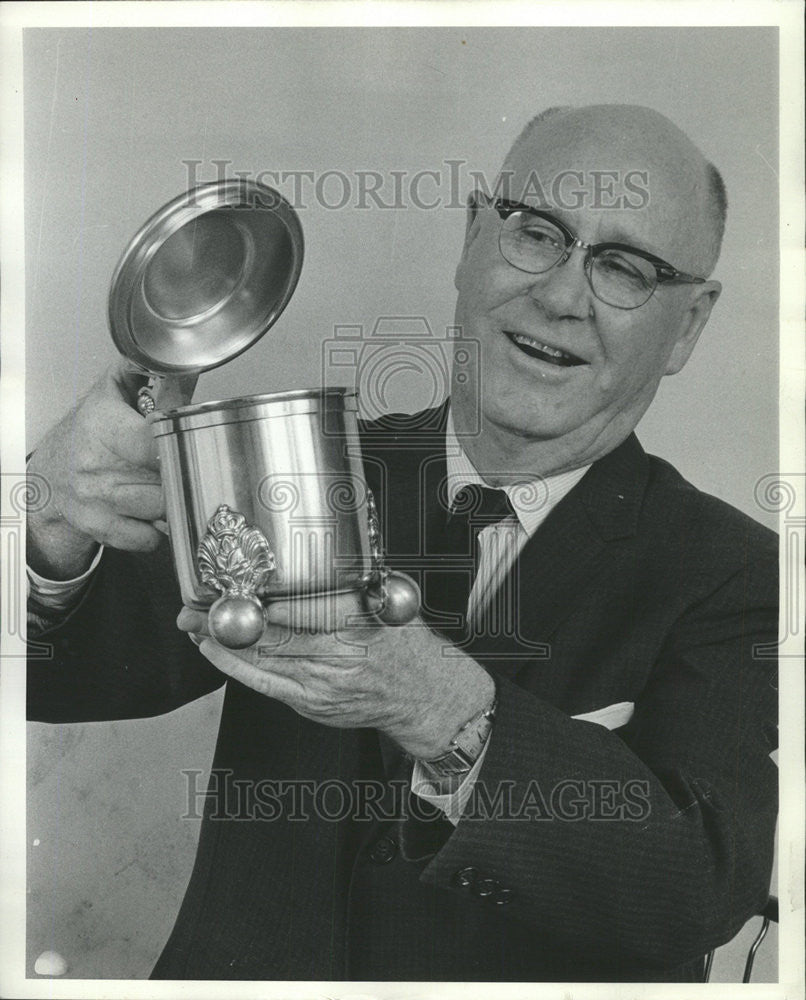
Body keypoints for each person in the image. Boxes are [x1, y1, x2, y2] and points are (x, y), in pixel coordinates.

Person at [26, 104, 778, 982]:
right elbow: (51, 673)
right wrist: (50, 526)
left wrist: (454, 716)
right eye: (539, 233)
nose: (563, 297)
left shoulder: (735, 573)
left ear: (688, 324)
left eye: (626, 269)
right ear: (472, 240)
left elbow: (700, 885)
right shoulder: (308, 471)